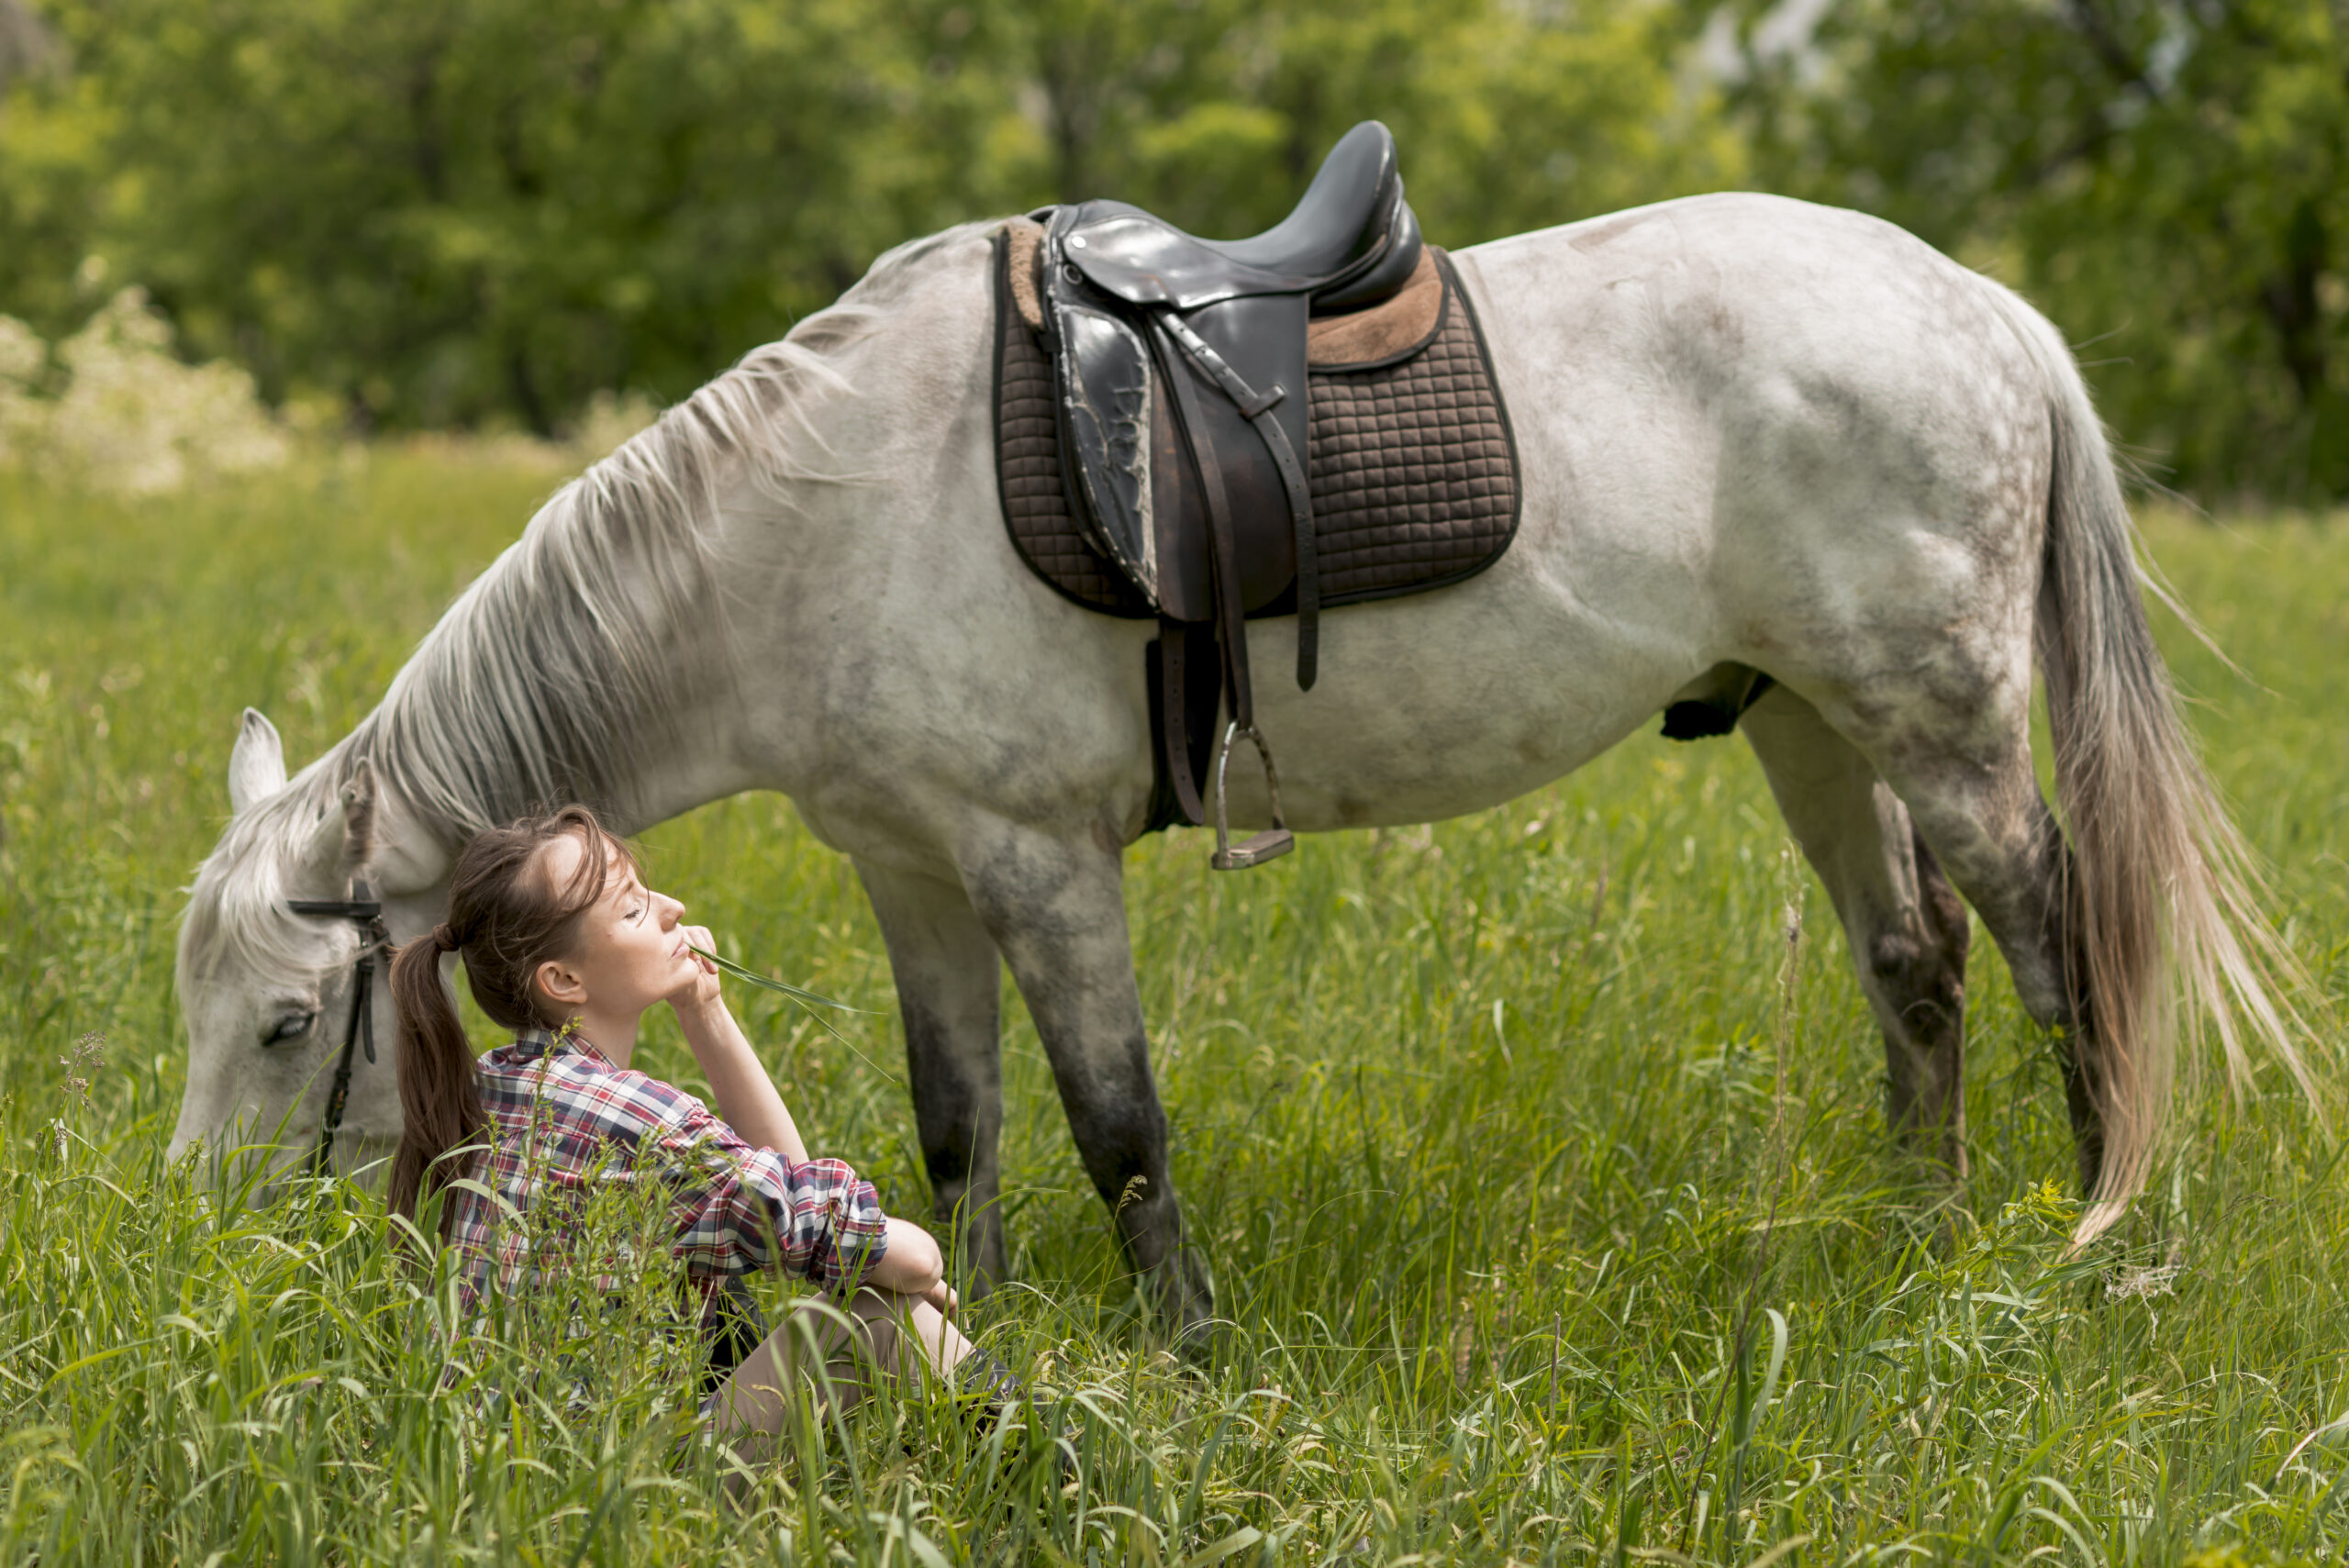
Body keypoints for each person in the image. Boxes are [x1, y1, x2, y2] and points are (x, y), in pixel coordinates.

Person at [384, 805, 1013, 1449]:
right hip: (617, 1495)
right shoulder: (635, 1119)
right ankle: (1061, 1468)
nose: (673, 907)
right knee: (879, 1315)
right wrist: (907, 1264)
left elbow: (795, 1202)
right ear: (564, 979)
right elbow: (881, 1249)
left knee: (800, 1287)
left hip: (502, 1483)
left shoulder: (490, 1086)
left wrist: (703, 1006)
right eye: (632, 910)